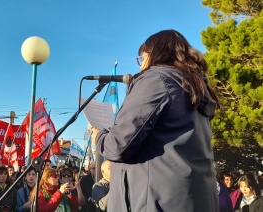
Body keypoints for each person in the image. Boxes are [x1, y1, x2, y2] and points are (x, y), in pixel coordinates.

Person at [91, 29, 219, 211]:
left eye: (142, 58)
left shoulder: (157, 80)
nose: (141, 65)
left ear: (155, 53)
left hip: (155, 202)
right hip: (189, 199)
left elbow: (117, 146)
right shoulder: (193, 87)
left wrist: (99, 135)